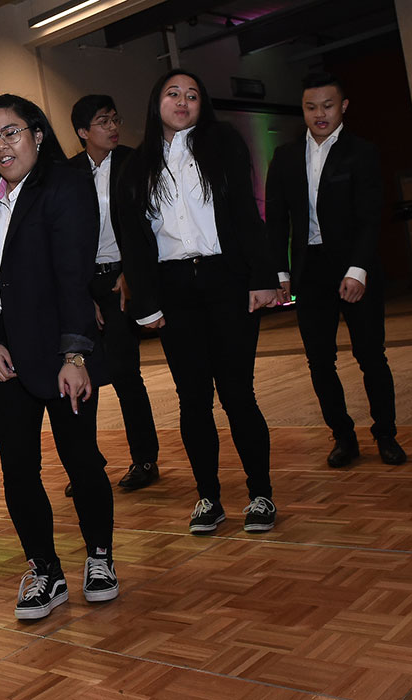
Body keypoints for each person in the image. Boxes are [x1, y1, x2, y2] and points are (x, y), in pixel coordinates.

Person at [0, 93, 119, 621]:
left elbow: (74, 274)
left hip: (59, 352)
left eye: (12, 132)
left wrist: (75, 353)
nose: (2, 145)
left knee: (81, 459)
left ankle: (99, 556)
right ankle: (45, 569)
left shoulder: (64, 187)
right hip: (4, 360)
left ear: (38, 135)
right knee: (18, 470)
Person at [116, 70, 280, 535]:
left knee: (237, 394)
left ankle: (261, 494)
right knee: (192, 400)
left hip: (226, 279)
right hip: (173, 288)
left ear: (201, 105)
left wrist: (262, 276)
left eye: (192, 95)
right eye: (173, 93)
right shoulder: (137, 164)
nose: (183, 101)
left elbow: (247, 211)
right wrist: (145, 302)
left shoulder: (223, 143)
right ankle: (208, 497)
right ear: (156, 103)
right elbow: (135, 239)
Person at [266, 73, 406, 469]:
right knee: (319, 361)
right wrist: (279, 271)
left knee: (370, 355)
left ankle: (386, 434)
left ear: (343, 106)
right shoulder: (285, 156)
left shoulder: (362, 152)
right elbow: (275, 219)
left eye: (327, 106)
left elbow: (369, 216)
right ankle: (343, 436)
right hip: (309, 271)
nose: (319, 114)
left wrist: (358, 269)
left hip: (353, 267)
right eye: (311, 107)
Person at [67, 94, 160, 494]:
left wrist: (131, 273)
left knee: (125, 373)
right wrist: (78, 292)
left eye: (114, 118)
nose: (112, 127)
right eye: (102, 121)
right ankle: (87, 465)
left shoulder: (135, 163)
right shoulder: (66, 174)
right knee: (79, 378)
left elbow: (151, 224)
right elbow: (64, 238)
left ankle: (144, 459)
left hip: (122, 281)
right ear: (83, 132)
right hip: (82, 286)